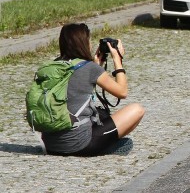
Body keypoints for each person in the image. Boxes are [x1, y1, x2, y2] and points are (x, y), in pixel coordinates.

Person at [41, 23, 145, 156]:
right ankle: (106, 147)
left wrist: (96, 66)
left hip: (49, 144)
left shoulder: (52, 67)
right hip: (80, 144)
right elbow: (122, 92)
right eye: (89, 41)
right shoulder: (89, 68)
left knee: (100, 114)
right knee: (137, 109)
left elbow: (76, 89)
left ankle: (102, 143)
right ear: (83, 44)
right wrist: (117, 59)